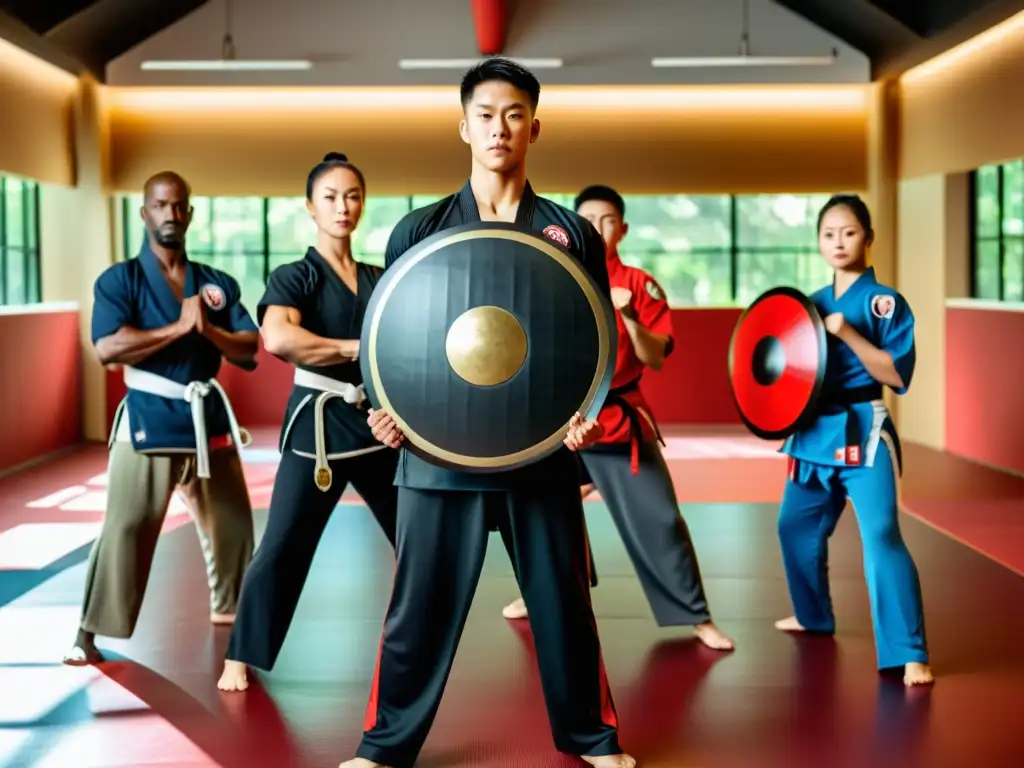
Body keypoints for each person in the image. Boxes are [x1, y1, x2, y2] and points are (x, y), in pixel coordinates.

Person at [341, 59, 635, 768]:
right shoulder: (420, 228)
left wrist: (587, 417)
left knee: (563, 606)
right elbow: (392, 341)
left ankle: (592, 738)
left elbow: (591, 342)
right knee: (417, 611)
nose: (498, 127)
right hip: (437, 457)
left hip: (542, 454)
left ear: (535, 125)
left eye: (513, 114)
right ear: (462, 124)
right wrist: (385, 415)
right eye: (484, 114)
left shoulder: (571, 233)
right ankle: (384, 747)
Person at [500, 185, 735, 652]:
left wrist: (629, 316)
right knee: (539, 509)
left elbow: (656, 357)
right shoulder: (553, 278)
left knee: (661, 519)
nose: (597, 228)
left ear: (622, 228)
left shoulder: (639, 284)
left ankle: (697, 615)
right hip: (564, 422)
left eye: (607, 220)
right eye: (587, 218)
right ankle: (544, 590)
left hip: (618, 419)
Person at [218, 153, 399, 692]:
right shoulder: (295, 275)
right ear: (310, 206)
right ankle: (240, 654)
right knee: (285, 545)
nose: (343, 207)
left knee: (420, 537)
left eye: (352, 196)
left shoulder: (378, 276)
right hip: (316, 428)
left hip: (375, 424)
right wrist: (353, 346)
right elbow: (278, 339)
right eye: (330, 197)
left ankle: (420, 639)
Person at [63, 171, 259, 666]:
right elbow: (107, 347)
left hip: (206, 418)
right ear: (144, 212)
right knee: (127, 527)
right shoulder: (119, 280)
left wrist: (207, 330)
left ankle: (232, 611)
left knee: (234, 526)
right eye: (160, 205)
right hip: (148, 417)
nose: (170, 214)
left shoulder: (216, 283)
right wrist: (177, 327)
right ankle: (88, 632)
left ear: (189, 214)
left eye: (179, 206)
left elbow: (249, 348)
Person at [774, 193, 933, 687]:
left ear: (867, 237)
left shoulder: (884, 302)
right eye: (828, 234)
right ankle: (813, 614)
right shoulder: (810, 304)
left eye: (848, 232)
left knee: (882, 534)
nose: (838, 241)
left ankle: (910, 651)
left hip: (864, 426)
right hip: (814, 429)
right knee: (793, 527)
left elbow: (896, 373)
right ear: (819, 242)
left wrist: (849, 334)